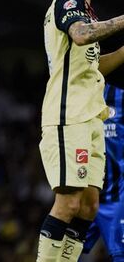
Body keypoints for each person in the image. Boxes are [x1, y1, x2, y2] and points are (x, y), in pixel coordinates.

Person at [36, 0, 124, 261]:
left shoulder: (85, 14)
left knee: (88, 206)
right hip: (68, 115)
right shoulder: (68, 4)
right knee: (68, 204)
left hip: (89, 116)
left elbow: (93, 67)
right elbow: (81, 35)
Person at [81, 82, 124, 261]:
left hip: (117, 197)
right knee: (61, 253)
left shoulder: (120, 97)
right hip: (82, 196)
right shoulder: (73, 98)